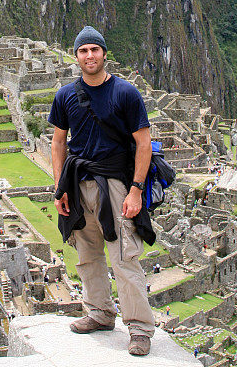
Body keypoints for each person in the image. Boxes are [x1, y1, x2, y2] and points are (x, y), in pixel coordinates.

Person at [49, 25, 155, 357]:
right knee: (87, 253)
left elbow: (143, 143)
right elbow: (58, 142)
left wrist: (136, 190)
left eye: (95, 50)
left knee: (124, 255)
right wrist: (59, 189)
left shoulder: (125, 93)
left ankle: (138, 328)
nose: (90, 56)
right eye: (83, 51)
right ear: (75, 56)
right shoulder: (65, 95)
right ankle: (99, 313)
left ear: (104, 54)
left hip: (116, 184)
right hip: (79, 184)